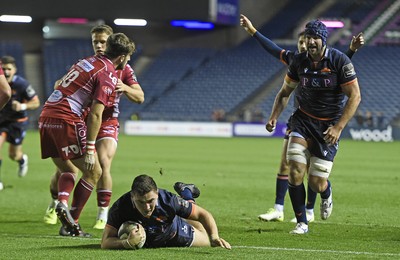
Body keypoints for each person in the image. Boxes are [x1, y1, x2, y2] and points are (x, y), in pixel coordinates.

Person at [240, 14, 364, 223]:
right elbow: (283, 90)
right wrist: (273, 117)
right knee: (292, 166)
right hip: (302, 120)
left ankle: (317, 201)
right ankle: (297, 218)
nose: (306, 43)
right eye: (305, 38)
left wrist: (351, 50)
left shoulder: (336, 60)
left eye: (313, 38)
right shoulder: (297, 60)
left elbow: (347, 82)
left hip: (327, 125)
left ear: (323, 40)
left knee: (316, 181)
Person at [43, 25, 145, 230]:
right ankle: (70, 220)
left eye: (102, 42)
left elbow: (139, 97)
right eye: (95, 42)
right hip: (71, 119)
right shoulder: (106, 72)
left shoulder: (86, 62)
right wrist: (90, 149)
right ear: (122, 55)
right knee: (92, 170)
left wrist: (124, 88)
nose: (98, 45)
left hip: (48, 115)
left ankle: (71, 207)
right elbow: (96, 113)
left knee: (72, 168)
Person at [101, 174, 231, 249]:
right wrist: (126, 243)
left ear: (157, 194)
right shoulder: (120, 207)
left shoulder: (168, 200)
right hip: (156, 233)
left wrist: (214, 236)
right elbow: (105, 242)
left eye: (151, 201)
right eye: (141, 202)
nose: (147, 207)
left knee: (205, 237)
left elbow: (203, 214)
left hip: (174, 232)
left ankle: (186, 192)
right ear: (132, 197)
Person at [0, 56, 40, 190]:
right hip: (1, 121)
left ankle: (22, 160)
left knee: (13, 155)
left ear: (14, 70)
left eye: (9, 69)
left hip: (17, 122)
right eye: (3, 68)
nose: (6, 72)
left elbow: (36, 102)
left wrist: (22, 106)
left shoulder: (22, 84)